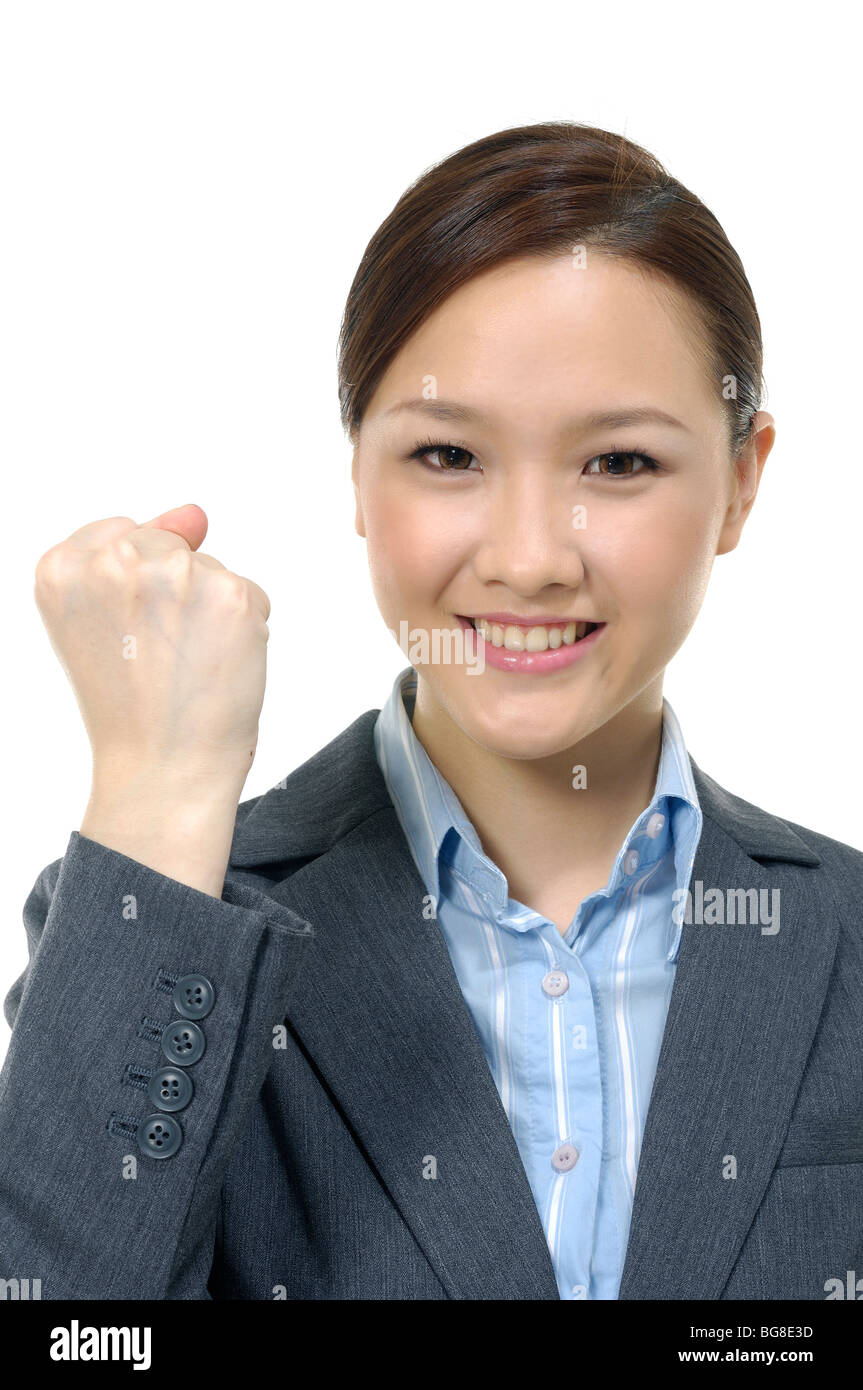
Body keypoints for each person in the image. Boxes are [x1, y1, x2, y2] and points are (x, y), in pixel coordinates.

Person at [1, 121, 860, 1302]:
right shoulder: (171, 918)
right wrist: (159, 779)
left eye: (617, 464)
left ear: (741, 481)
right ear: (357, 469)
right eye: (448, 454)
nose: (525, 561)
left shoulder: (847, 935)